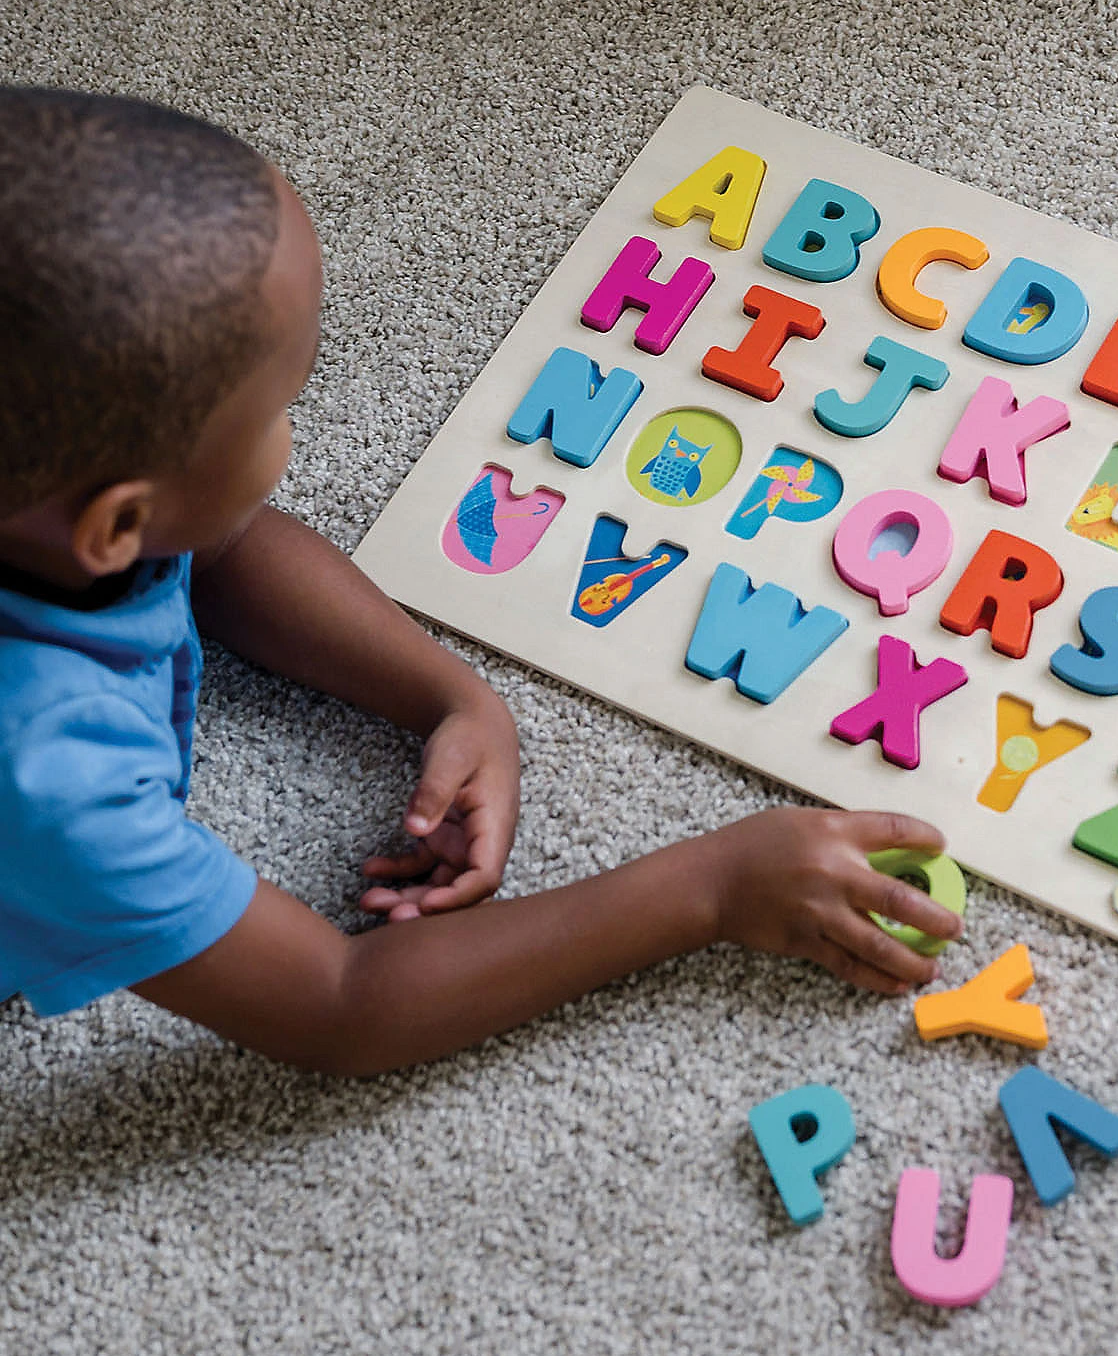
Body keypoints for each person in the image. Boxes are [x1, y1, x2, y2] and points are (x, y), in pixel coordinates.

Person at [0, 87, 962, 1076]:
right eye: (278, 408)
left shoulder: (43, 513)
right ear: (115, 524)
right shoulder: (52, 781)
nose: (297, 424)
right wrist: (710, 887)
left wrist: (453, 696)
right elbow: (343, 1009)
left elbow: (217, 549)